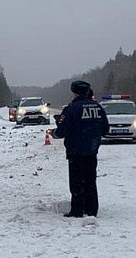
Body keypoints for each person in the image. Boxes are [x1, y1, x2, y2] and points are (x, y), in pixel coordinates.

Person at [51, 80, 109, 218]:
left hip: (75, 151)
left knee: (77, 182)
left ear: (74, 92)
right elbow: (105, 129)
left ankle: (77, 210)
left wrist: (54, 132)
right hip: (92, 150)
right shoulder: (98, 107)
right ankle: (91, 209)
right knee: (90, 180)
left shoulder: (72, 108)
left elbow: (62, 131)